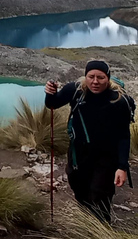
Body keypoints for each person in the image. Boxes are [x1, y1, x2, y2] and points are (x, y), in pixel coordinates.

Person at [45, 60, 131, 223]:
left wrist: (122, 166)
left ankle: (101, 227)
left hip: (107, 155)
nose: (95, 81)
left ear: (108, 78)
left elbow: (124, 135)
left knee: (100, 193)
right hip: (79, 153)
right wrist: (50, 92)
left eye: (101, 77)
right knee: (78, 187)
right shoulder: (75, 91)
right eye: (91, 76)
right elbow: (52, 104)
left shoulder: (118, 101)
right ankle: (87, 222)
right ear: (85, 77)